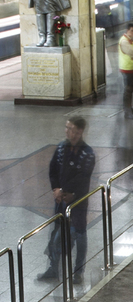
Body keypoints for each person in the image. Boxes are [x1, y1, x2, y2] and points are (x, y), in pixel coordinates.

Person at [37, 116, 95, 285]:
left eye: (73, 130)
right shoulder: (62, 148)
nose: (69, 132)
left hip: (78, 202)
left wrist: (73, 194)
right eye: (67, 128)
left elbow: (84, 178)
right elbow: (53, 169)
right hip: (61, 200)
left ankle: (78, 272)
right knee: (56, 234)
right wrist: (56, 189)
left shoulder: (87, 153)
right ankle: (53, 268)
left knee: (79, 234)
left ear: (80, 132)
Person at [119, 24, 133, 119]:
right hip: (127, 69)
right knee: (128, 91)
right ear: (127, 30)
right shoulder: (124, 41)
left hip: (132, 69)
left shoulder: (131, 41)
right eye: (132, 30)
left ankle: (129, 109)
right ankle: (127, 112)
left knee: (130, 90)